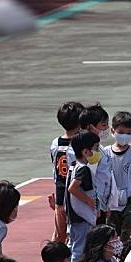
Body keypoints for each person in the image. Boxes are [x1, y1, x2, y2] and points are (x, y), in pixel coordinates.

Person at [49, 101, 84, 243]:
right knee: (76, 234)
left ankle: (53, 261)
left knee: (59, 235)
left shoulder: (55, 143)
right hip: (76, 196)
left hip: (60, 193)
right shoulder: (80, 143)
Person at [66, 131, 100, 262]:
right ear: (86, 151)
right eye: (96, 148)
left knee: (74, 246)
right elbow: (72, 188)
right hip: (81, 217)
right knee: (79, 250)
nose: (98, 152)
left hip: (74, 216)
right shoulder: (83, 169)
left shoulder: (73, 165)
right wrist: (90, 201)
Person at [79, 103, 113, 224]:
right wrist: (96, 206)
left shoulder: (100, 148)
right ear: (90, 127)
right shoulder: (90, 152)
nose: (106, 128)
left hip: (102, 204)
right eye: (103, 125)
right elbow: (90, 181)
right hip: (93, 207)